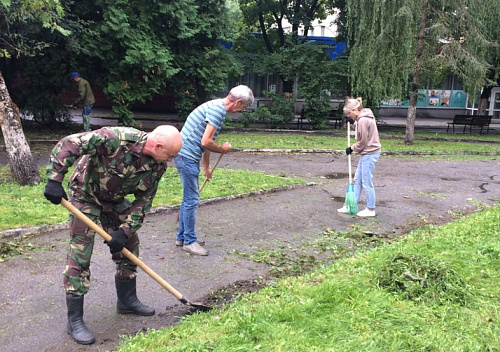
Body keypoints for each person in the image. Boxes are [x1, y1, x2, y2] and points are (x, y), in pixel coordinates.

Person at [43, 125, 182, 345]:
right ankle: (75, 321)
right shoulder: (115, 139)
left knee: (130, 244)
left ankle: (126, 301)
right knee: (81, 252)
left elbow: (143, 201)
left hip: (114, 200)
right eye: (170, 154)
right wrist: (54, 178)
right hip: (84, 195)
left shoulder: (157, 166)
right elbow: (70, 143)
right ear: (157, 146)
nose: (171, 160)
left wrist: (125, 231)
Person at [175, 85, 254, 256]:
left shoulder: (215, 107)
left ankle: (181, 237)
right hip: (186, 156)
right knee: (192, 199)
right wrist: (223, 149)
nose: (242, 110)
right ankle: (189, 241)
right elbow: (206, 142)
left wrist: (206, 167)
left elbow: (206, 141)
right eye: (244, 107)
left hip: (184, 155)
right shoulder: (218, 111)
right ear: (238, 102)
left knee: (189, 197)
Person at [337, 97, 381, 217]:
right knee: (357, 180)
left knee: (366, 181)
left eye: (349, 113)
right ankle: (351, 205)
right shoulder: (364, 117)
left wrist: (351, 148)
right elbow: (362, 128)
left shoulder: (363, 120)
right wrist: (353, 123)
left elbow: (362, 142)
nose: (349, 116)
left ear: (355, 110)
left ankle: (370, 209)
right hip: (368, 152)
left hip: (370, 152)